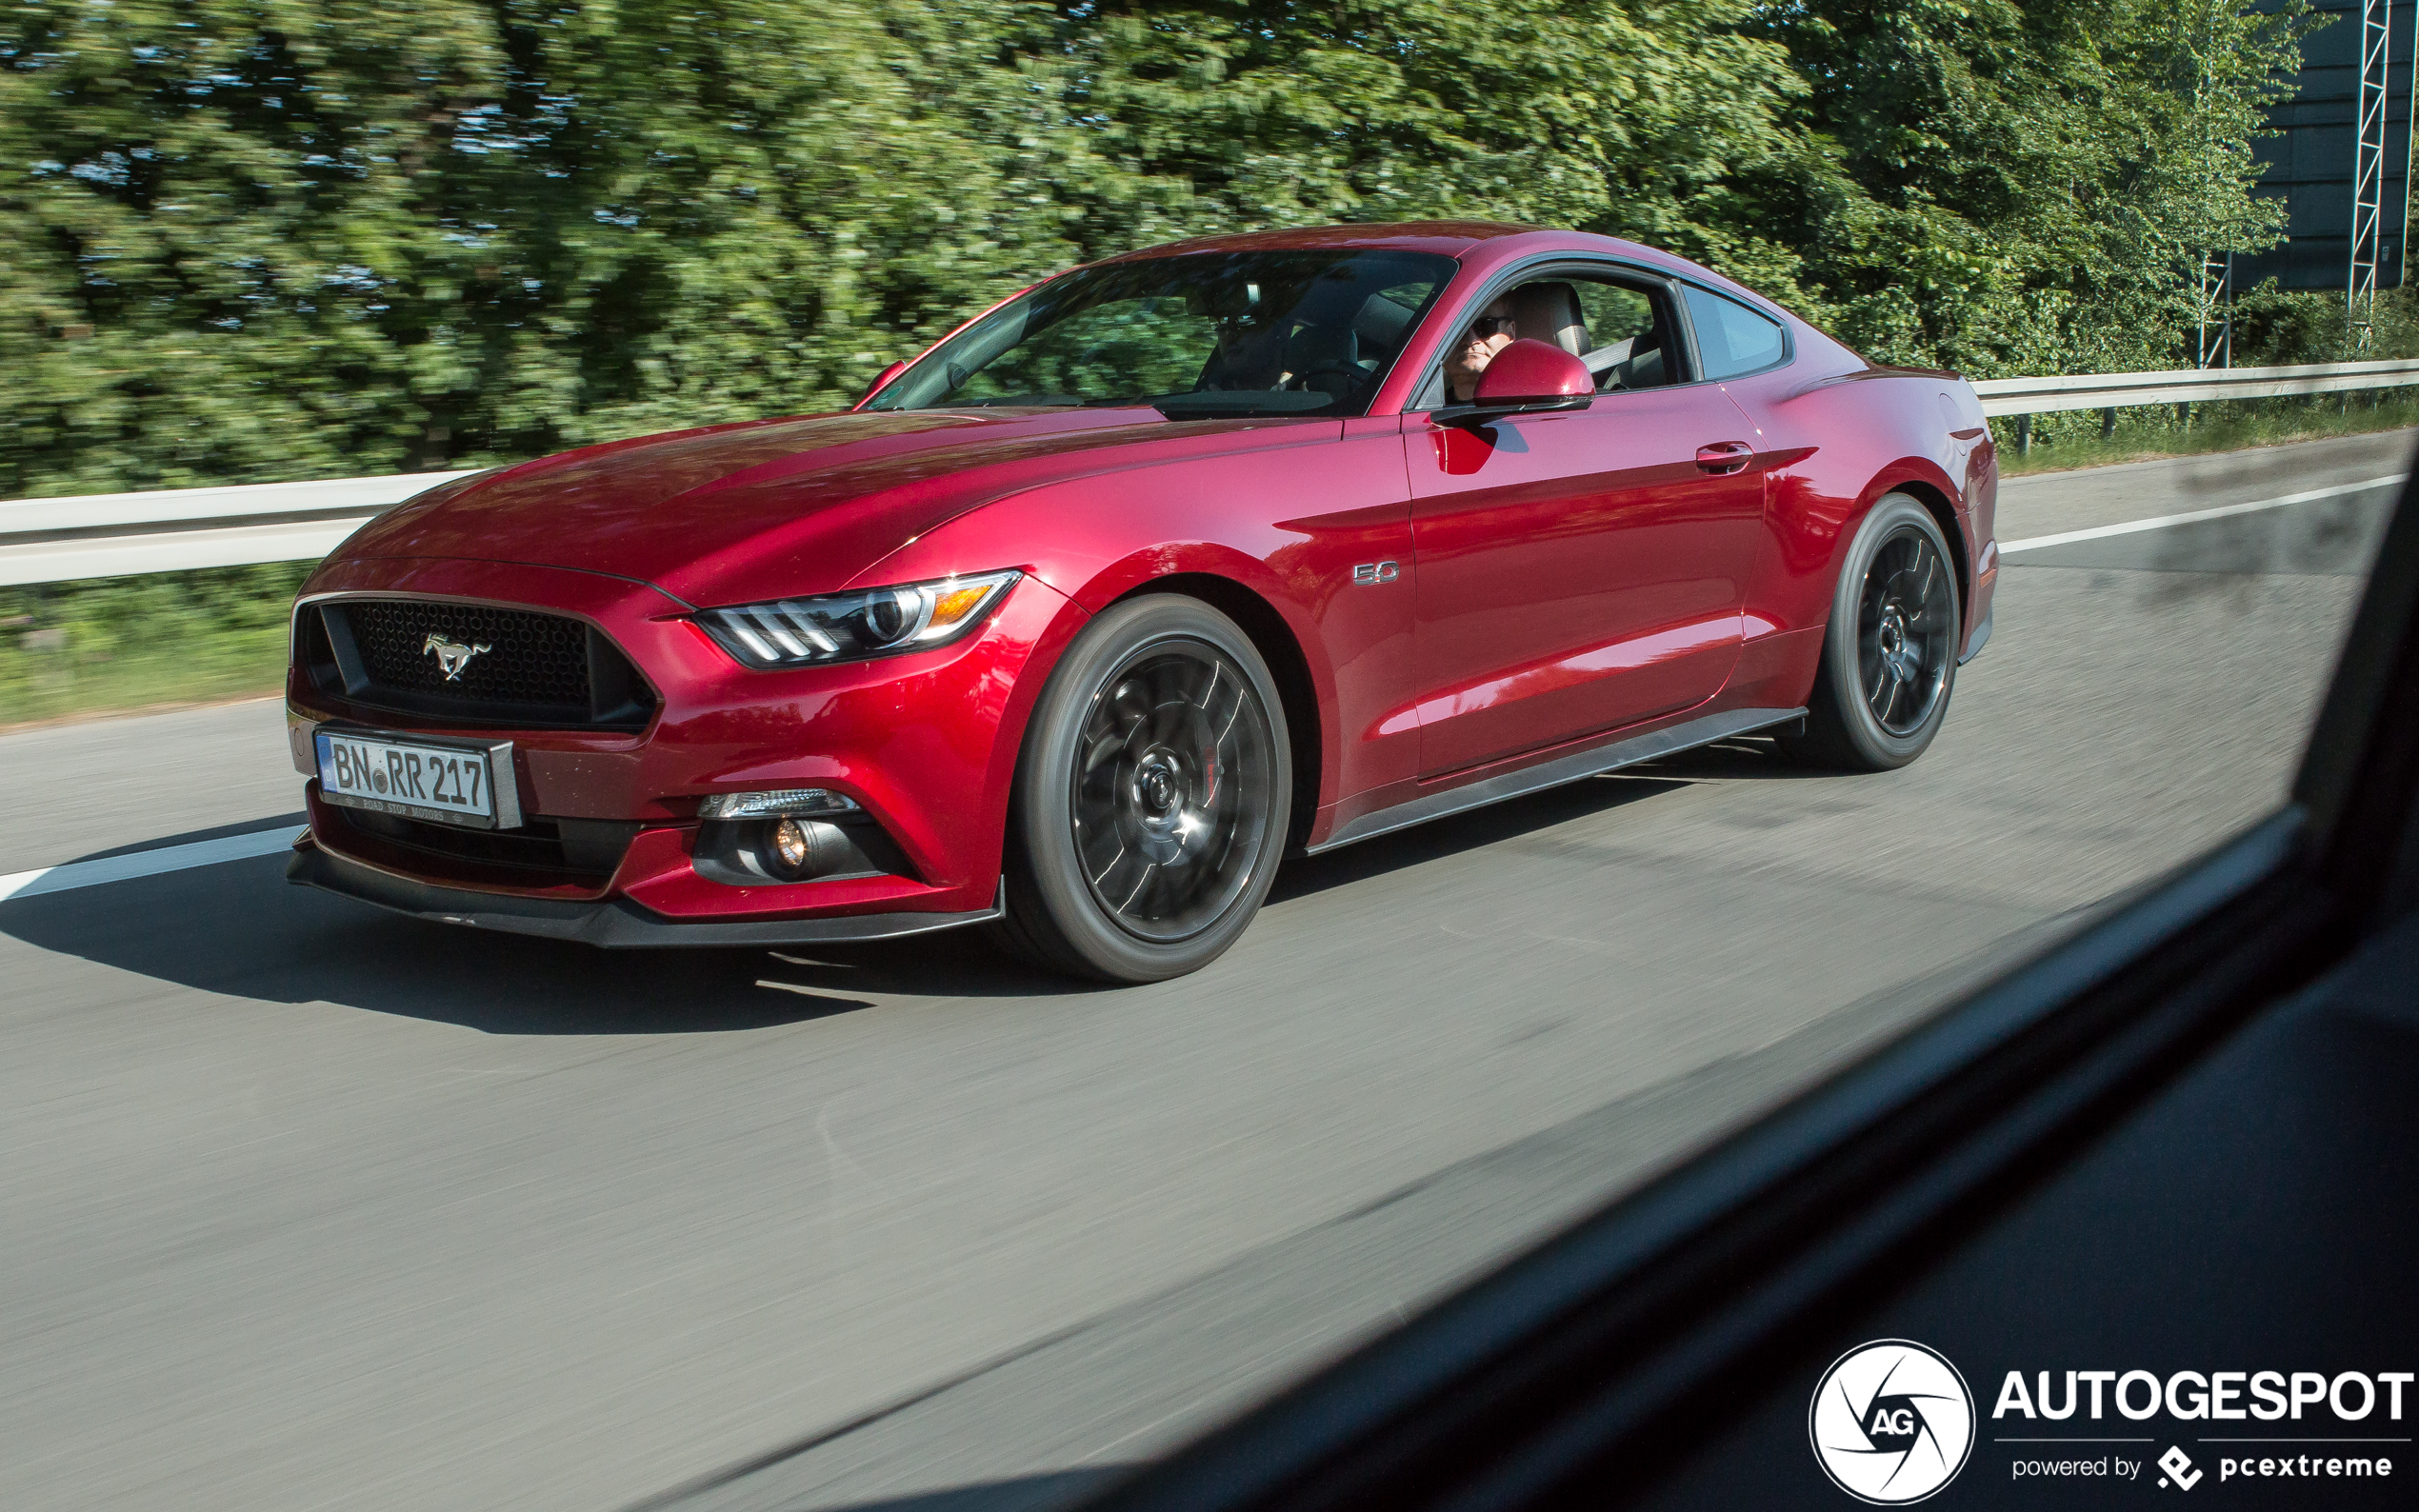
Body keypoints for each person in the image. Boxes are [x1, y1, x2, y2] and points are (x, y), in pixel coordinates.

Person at [1443, 297, 1518, 402]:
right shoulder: (1420, 410)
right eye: (1456, 330)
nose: (1471, 340)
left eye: (1486, 325)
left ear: (1510, 333)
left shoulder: (1531, 408)